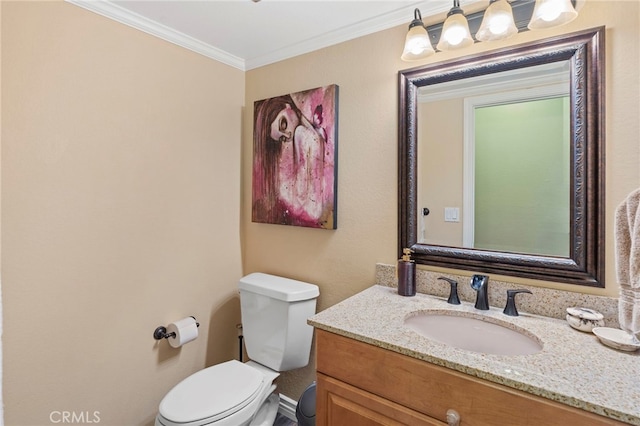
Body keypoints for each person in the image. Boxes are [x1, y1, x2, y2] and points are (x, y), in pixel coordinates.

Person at [253, 89, 335, 228]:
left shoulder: (301, 133)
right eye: (283, 138)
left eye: (283, 124)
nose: (288, 133)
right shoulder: (300, 136)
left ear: (287, 105)